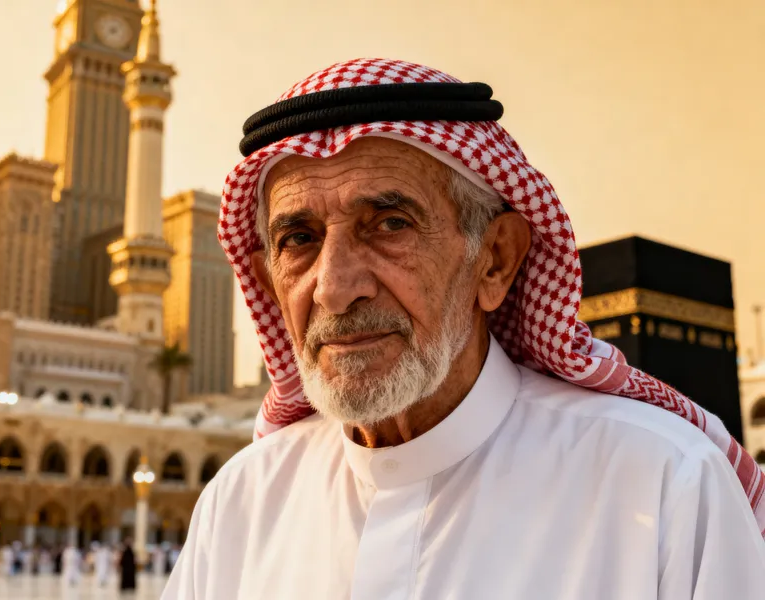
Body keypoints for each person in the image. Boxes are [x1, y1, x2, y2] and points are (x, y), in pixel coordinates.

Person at [163, 59, 765, 599]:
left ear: (495, 260)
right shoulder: (244, 503)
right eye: (298, 240)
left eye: (391, 224)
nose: (335, 286)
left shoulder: (663, 484)